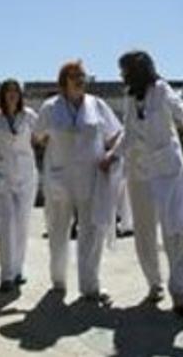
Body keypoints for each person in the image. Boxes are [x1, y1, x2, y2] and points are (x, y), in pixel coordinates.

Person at [106, 50, 183, 315]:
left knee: (173, 232)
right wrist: (112, 156)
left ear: (137, 70)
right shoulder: (129, 97)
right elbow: (128, 133)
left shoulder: (161, 89)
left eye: (124, 69)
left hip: (166, 170)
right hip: (140, 173)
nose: (121, 74)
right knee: (144, 234)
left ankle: (180, 294)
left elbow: (180, 108)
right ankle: (154, 285)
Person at [34, 60, 124, 305]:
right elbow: (38, 137)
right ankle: (58, 281)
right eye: (75, 76)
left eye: (83, 76)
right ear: (64, 81)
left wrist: (110, 153)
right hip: (59, 179)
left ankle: (90, 286)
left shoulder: (97, 105)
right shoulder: (50, 107)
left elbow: (116, 133)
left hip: (91, 177)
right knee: (57, 231)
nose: (80, 80)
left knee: (92, 232)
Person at [0, 79, 40, 293]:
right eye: (8, 91)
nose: (12, 95)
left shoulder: (29, 116)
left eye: (15, 91)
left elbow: (43, 136)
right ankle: (6, 275)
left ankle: (18, 271)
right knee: (6, 225)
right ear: (3, 94)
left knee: (21, 225)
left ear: (20, 95)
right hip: (3, 177)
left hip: (26, 176)